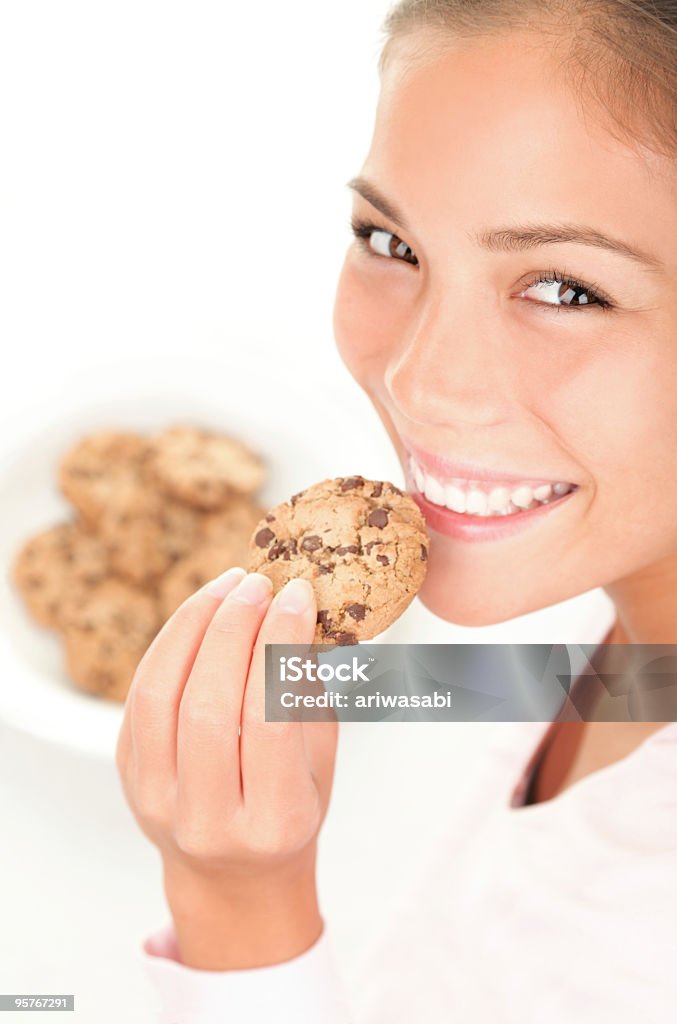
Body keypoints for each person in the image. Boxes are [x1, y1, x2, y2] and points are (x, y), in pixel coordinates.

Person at [115, 1, 677, 1020]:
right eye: (389, 239)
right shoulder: (604, 574)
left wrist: (239, 912)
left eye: (563, 289)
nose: (420, 380)